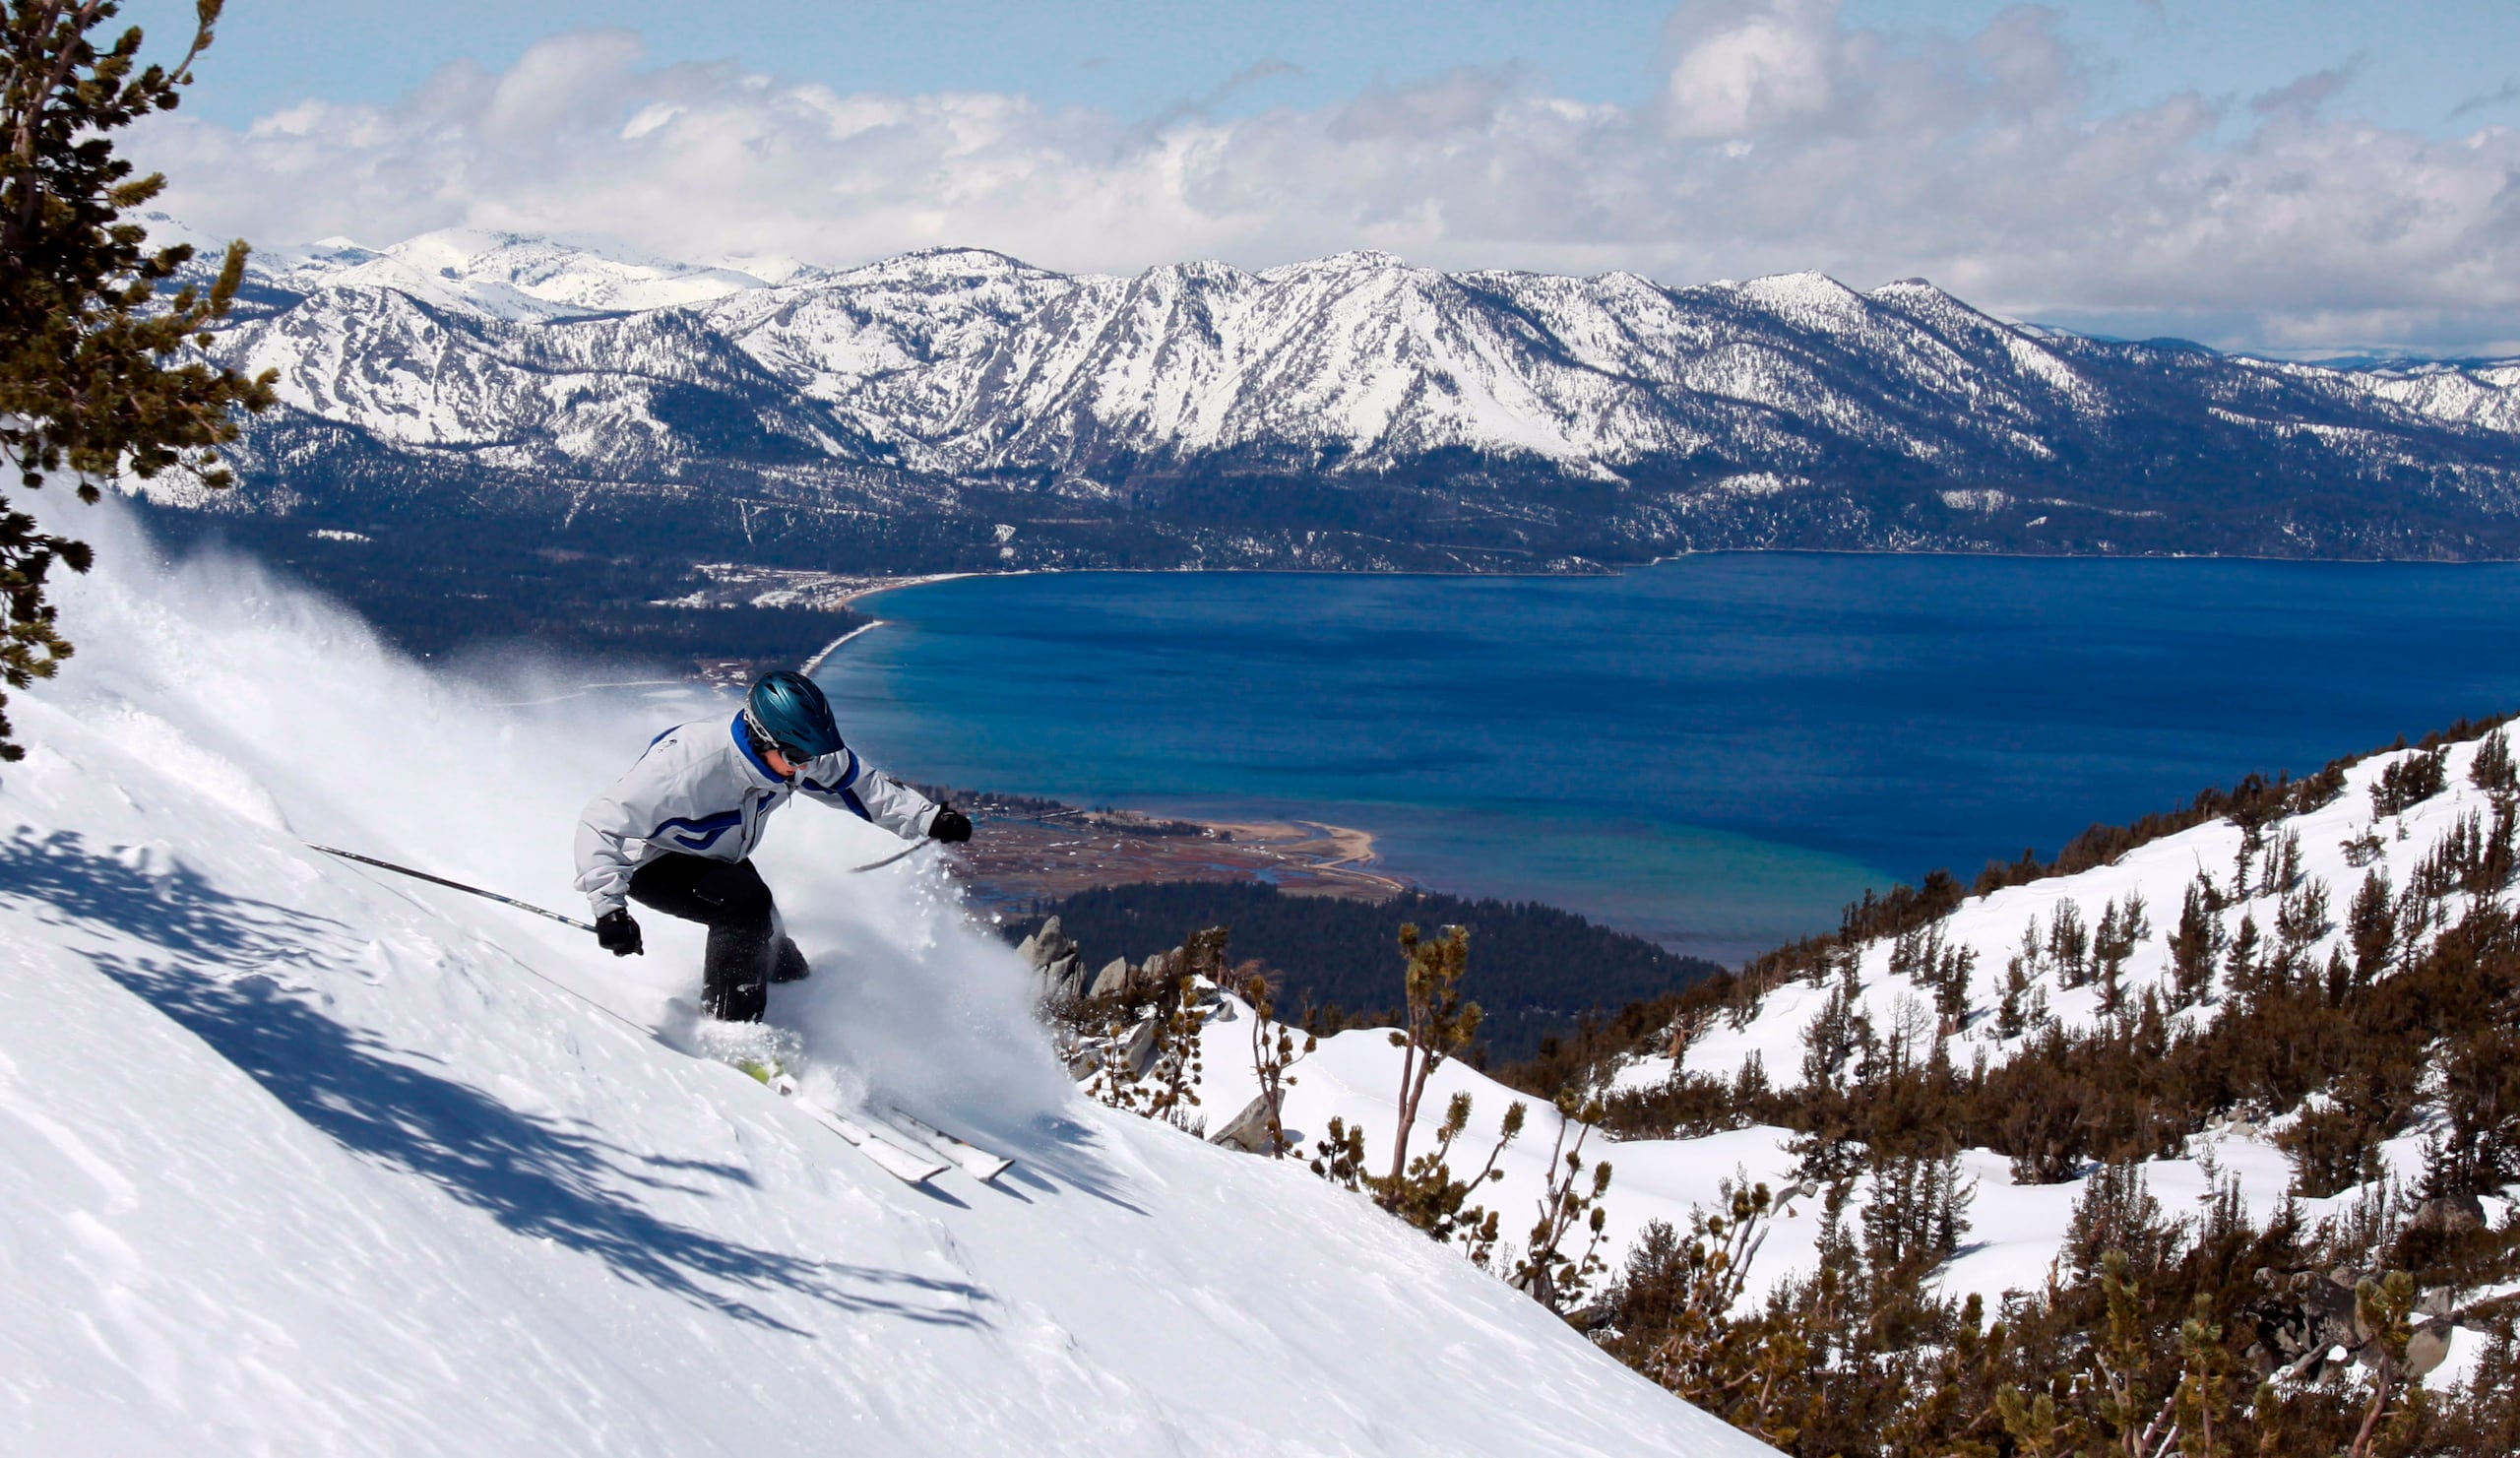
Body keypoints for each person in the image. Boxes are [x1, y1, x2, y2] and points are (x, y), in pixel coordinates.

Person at [573, 670, 973, 1022]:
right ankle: (731, 1031)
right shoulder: (686, 766)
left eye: (814, 755)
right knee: (744, 909)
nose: (806, 766)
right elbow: (601, 822)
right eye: (797, 756)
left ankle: (793, 994)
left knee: (768, 932)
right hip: (652, 860)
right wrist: (610, 912)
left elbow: (860, 786)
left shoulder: (795, 753)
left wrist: (929, 818)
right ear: (761, 736)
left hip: (713, 856)